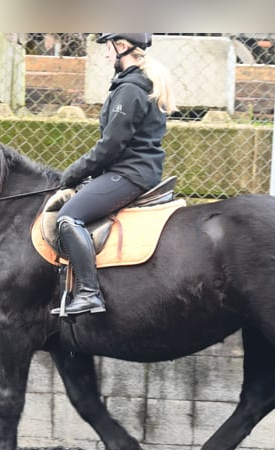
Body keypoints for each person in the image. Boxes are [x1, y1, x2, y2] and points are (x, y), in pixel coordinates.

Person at [51, 33, 177, 316]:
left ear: (122, 47)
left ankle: (88, 293)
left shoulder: (130, 89)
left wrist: (72, 173)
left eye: (108, 49)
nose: (106, 56)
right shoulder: (138, 84)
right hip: (133, 171)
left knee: (69, 218)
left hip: (128, 174)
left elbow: (110, 146)